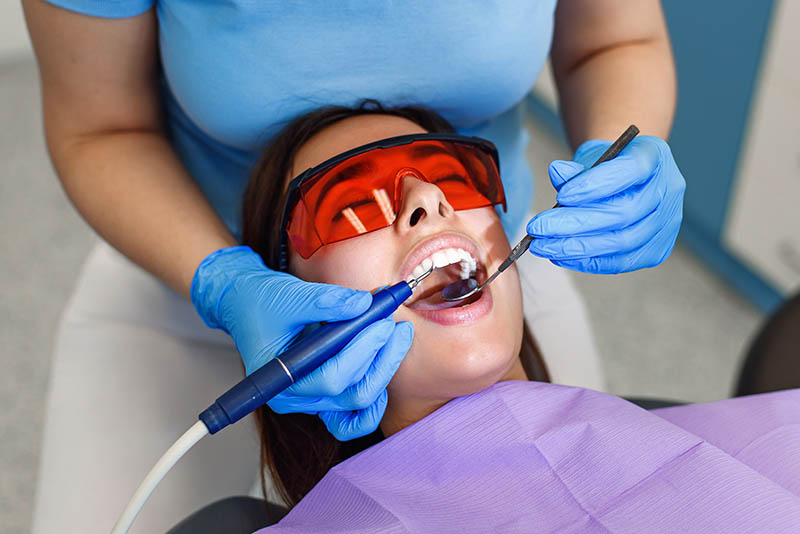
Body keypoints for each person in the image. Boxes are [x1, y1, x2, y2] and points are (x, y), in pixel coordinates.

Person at [24, 1, 685, 532]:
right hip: (183, 266)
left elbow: (612, 38)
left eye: (454, 176)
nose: (426, 198)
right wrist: (227, 283)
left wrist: (626, 157)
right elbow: (100, 125)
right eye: (348, 206)